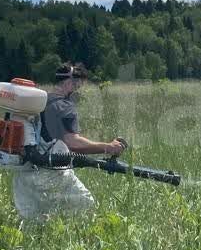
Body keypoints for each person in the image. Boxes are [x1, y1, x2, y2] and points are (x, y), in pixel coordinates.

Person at [11, 62, 125, 222]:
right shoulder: (64, 106)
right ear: (70, 83)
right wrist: (109, 147)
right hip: (49, 175)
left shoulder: (39, 101)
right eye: (79, 87)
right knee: (87, 208)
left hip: (23, 176)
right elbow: (73, 143)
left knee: (35, 226)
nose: (80, 93)